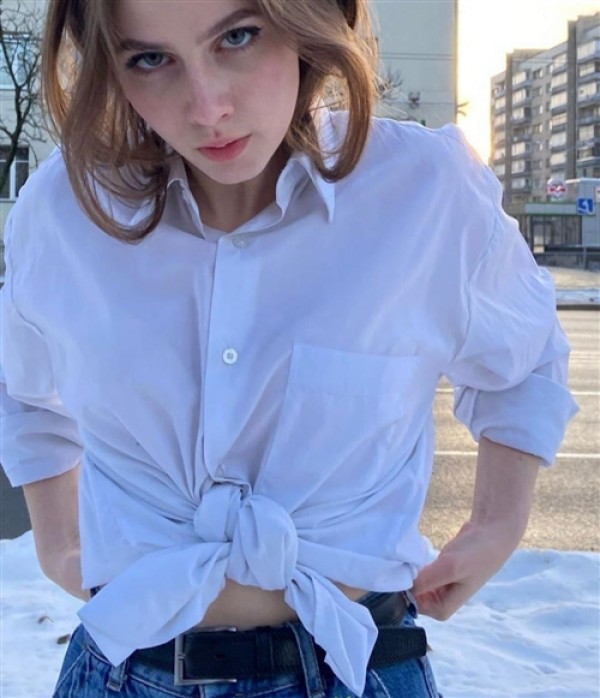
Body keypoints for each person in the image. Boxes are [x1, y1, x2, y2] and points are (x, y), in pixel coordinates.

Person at [0, 0, 578, 696]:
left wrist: (498, 523)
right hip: (124, 672)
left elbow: (522, 357)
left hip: (354, 669)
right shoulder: (65, 212)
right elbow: (24, 389)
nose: (207, 108)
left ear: (309, 23)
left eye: (238, 37)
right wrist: (58, 542)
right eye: (150, 59)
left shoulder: (423, 193)